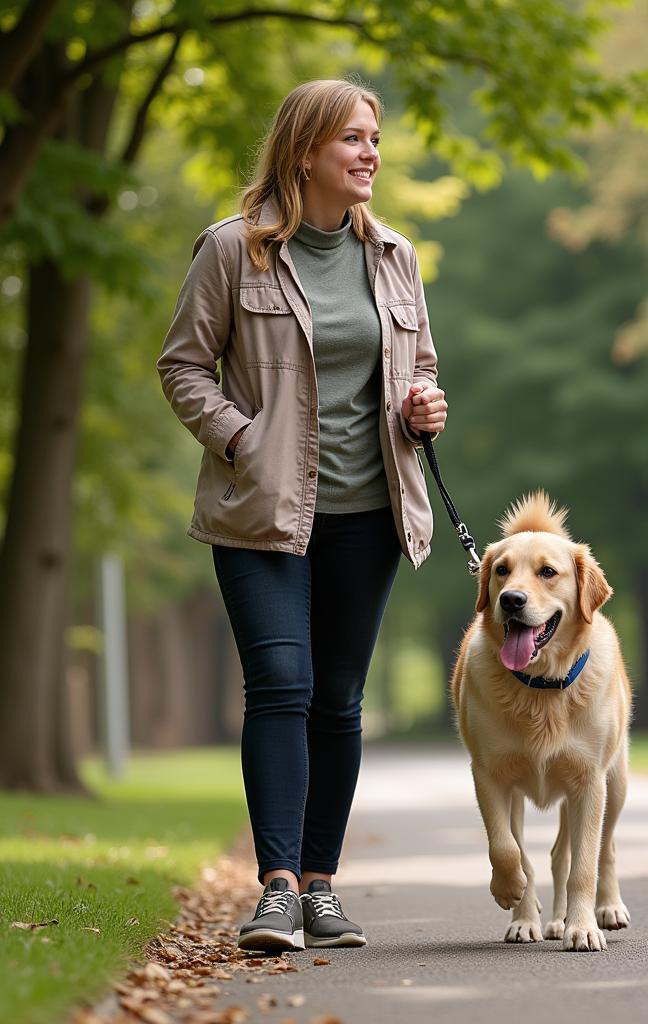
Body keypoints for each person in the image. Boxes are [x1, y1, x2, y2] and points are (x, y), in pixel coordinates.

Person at [157, 79, 447, 952]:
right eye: (353, 140)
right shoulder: (231, 251)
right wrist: (242, 437)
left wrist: (422, 405)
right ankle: (277, 888)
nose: (370, 154)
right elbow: (182, 367)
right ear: (304, 152)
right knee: (281, 684)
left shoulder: (394, 255)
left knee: (339, 699)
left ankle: (322, 884)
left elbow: (419, 363)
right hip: (263, 515)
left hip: (369, 513)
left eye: (374, 139)